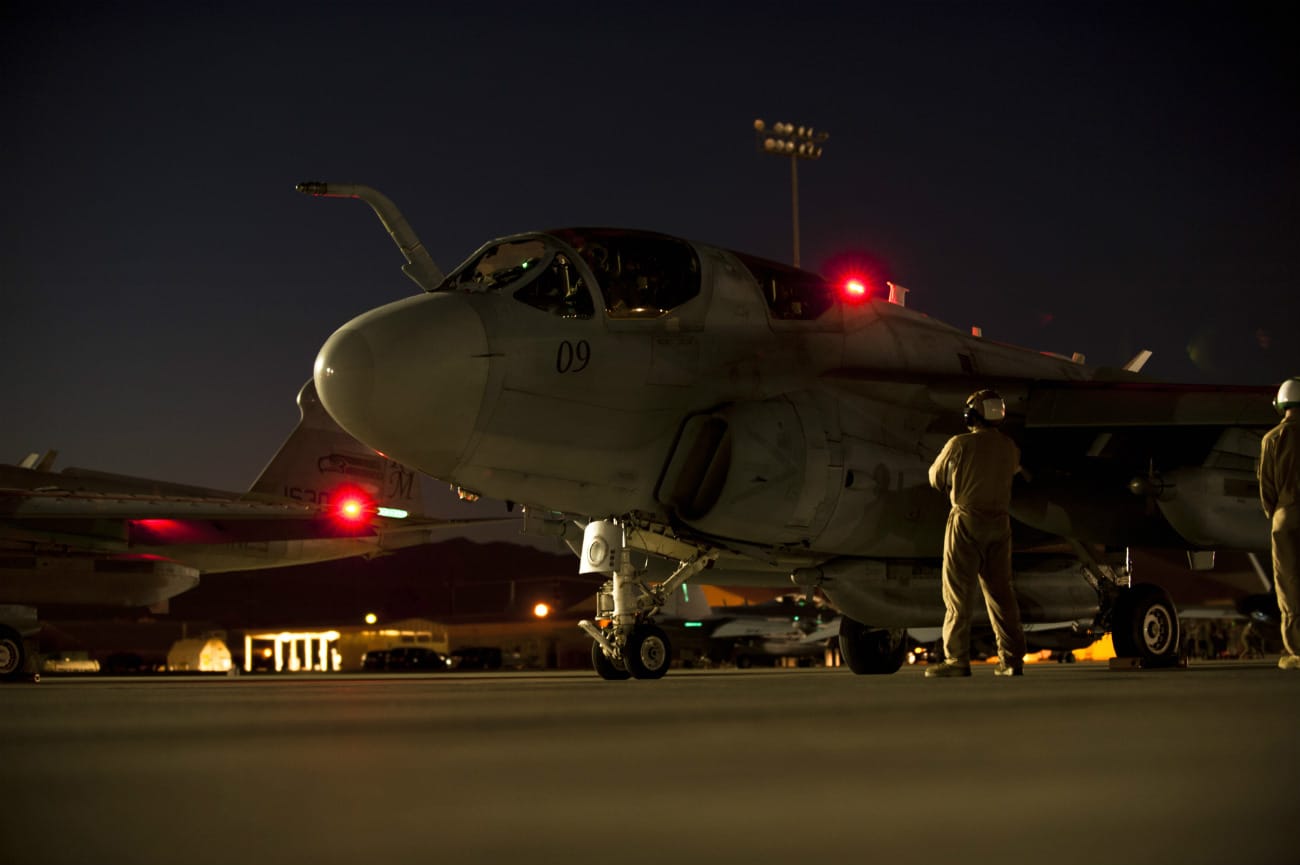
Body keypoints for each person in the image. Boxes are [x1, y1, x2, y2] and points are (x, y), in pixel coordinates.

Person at [925, 389, 1027, 678]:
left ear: (972, 414)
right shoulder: (1009, 447)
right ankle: (1011, 660)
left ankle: (957, 660)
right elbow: (1015, 471)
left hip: (966, 522)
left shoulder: (960, 444)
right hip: (1000, 526)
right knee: (1001, 595)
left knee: (958, 595)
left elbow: (935, 477)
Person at [1259, 377, 1300, 671]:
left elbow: (1267, 488)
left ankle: (1297, 650)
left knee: (1289, 585)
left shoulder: (1271, 439)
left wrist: (1276, 514)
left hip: (1285, 517)